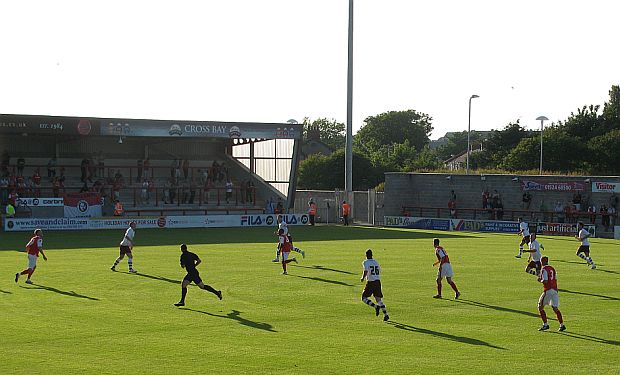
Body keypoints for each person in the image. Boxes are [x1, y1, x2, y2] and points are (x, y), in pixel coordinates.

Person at [537, 257, 566, 332]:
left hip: (548, 290)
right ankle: (562, 325)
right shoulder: (552, 268)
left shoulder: (544, 269)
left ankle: (545, 325)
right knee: (555, 308)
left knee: (540, 306)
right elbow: (555, 279)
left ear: (542, 262)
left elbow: (545, 281)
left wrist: (540, 280)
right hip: (554, 290)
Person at [360, 249, 389, 321]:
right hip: (378, 282)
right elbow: (379, 270)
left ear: (366, 255)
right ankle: (386, 315)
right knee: (378, 299)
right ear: (372, 255)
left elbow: (366, 270)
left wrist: (363, 277)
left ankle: (376, 307)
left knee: (364, 298)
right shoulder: (376, 262)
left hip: (371, 282)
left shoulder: (365, 262)